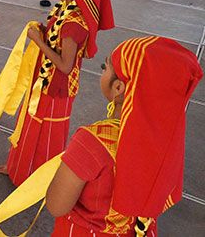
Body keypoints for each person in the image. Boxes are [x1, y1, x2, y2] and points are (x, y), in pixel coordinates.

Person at [46, 37, 203, 236]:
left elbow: (56, 205)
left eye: (105, 67)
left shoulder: (92, 142)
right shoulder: (167, 142)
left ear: (119, 88)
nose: (102, 71)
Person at [0, 0, 115, 186]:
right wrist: (43, 32)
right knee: (30, 123)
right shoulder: (63, 10)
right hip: (44, 79)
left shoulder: (73, 25)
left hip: (56, 88)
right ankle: (18, 167)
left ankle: (38, 180)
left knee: (46, 133)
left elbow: (64, 65)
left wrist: (38, 41)